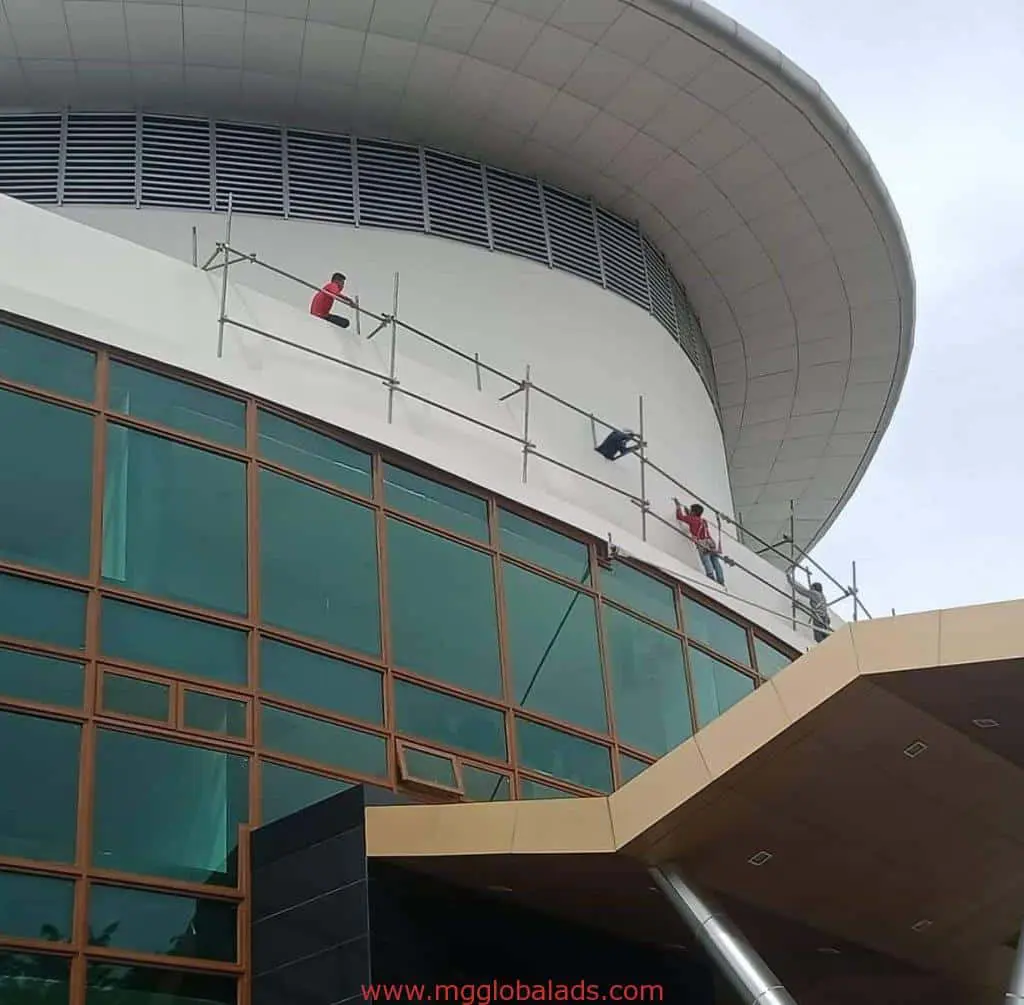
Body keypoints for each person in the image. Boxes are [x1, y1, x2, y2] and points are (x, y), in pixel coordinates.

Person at [674, 497, 725, 586]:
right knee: (715, 560)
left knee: (706, 560)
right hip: (711, 542)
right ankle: (721, 580)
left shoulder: (692, 519)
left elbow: (680, 517)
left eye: (691, 510)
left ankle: (711, 577)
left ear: (693, 512)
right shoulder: (703, 520)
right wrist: (688, 513)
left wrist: (678, 506)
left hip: (702, 543)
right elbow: (693, 521)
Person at [787, 572, 831, 642]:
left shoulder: (815, 593)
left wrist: (791, 581)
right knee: (825, 635)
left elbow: (801, 591)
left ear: (814, 588)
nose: (810, 589)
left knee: (818, 638)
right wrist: (799, 606)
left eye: (811, 588)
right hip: (825, 618)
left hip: (819, 618)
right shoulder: (822, 596)